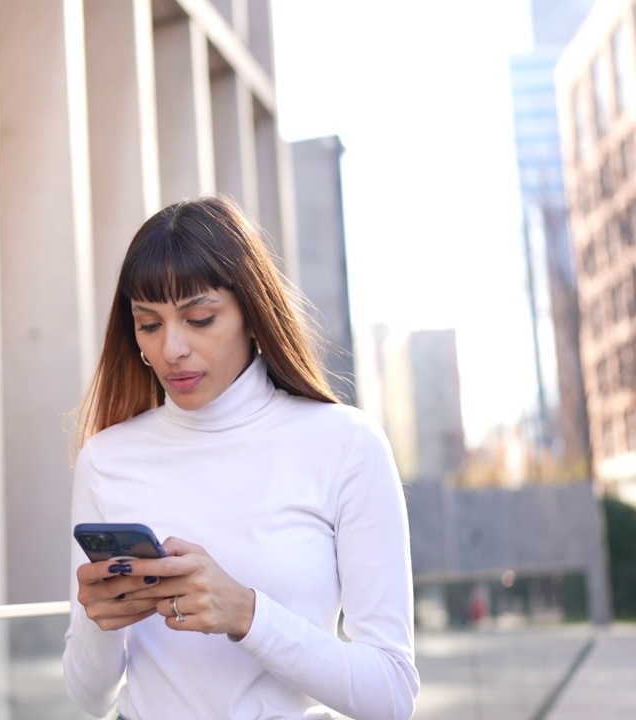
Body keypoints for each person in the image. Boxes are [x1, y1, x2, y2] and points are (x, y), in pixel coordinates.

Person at [63, 196, 419, 720]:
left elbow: (390, 695)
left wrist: (248, 615)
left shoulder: (346, 445)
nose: (171, 349)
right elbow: (88, 700)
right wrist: (100, 623)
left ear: (253, 315)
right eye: (149, 324)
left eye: (199, 318)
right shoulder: (107, 459)